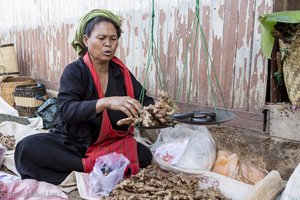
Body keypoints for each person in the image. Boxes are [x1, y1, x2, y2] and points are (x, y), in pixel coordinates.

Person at [14, 9, 154, 185]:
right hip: (74, 144)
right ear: (86, 40)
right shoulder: (75, 71)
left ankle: (96, 166)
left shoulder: (121, 73)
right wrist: (105, 103)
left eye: (113, 39)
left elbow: (144, 100)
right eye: (101, 38)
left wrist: (151, 112)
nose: (108, 44)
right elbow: (66, 111)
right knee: (26, 148)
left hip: (111, 144)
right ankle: (95, 166)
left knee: (144, 154)